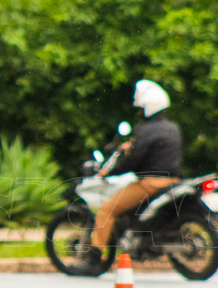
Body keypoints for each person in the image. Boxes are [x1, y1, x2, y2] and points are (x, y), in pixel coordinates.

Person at [78, 79, 181, 275]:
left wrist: (108, 172)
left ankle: (93, 259)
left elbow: (133, 162)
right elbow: (152, 152)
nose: (139, 113)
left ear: (148, 107)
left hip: (150, 184)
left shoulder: (144, 130)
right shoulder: (172, 128)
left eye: (140, 109)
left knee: (106, 210)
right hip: (172, 182)